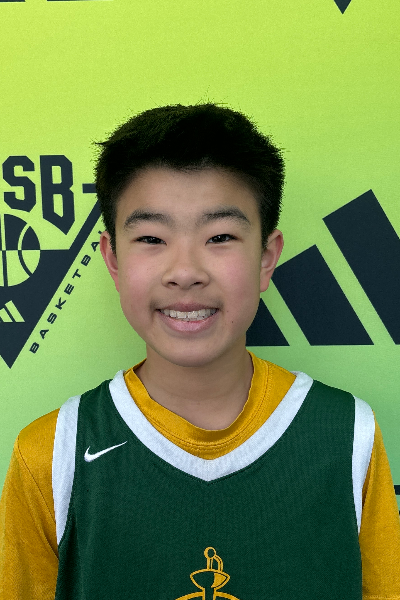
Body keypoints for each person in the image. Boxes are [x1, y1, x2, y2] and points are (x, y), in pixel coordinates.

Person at [0, 103, 399, 600]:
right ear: (112, 258)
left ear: (266, 257)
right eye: (151, 237)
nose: (185, 271)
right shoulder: (51, 454)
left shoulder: (347, 434)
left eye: (220, 237)